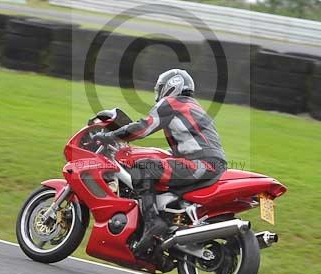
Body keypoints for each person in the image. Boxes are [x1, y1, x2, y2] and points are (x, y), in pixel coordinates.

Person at [92, 69, 227, 255]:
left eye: (161, 88)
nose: (159, 92)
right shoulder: (194, 107)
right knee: (158, 167)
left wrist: (110, 136)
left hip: (201, 164)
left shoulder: (172, 103)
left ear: (172, 86)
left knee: (143, 167)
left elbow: (143, 127)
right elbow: (190, 143)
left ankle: (152, 223)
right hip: (212, 164)